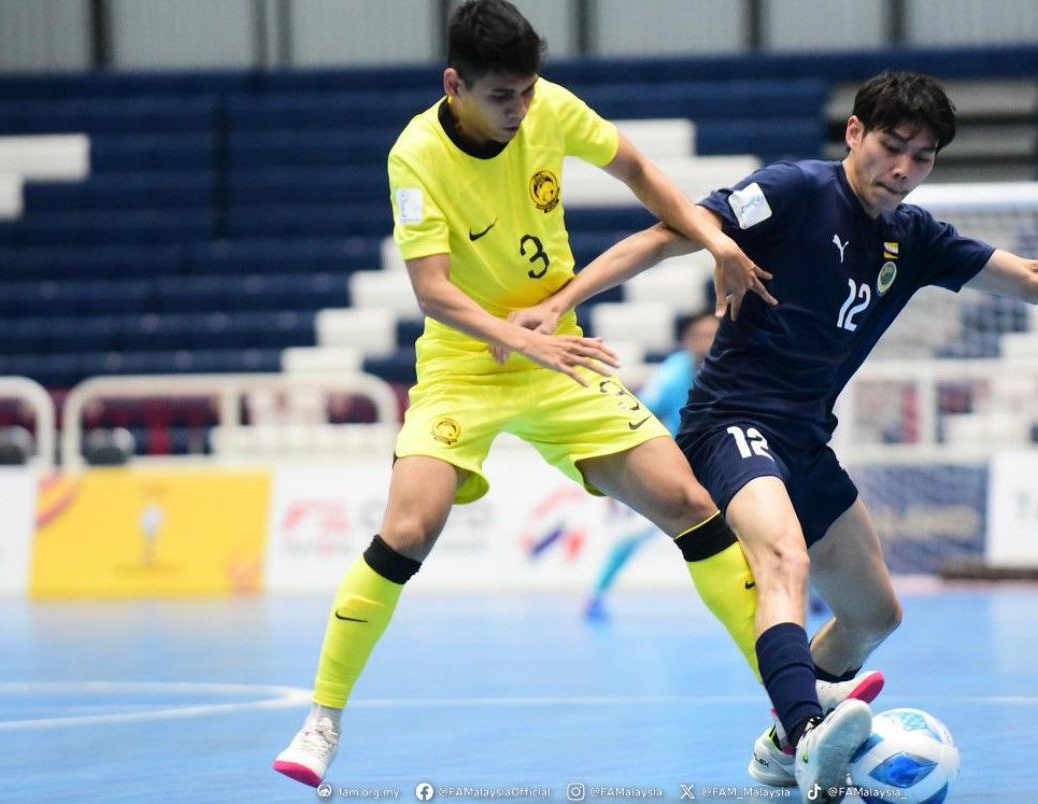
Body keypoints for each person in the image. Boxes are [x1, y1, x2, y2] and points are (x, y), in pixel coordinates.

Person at [507, 70, 1038, 797]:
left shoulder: (915, 237)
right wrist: (561, 303)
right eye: (892, 147)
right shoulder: (794, 190)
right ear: (855, 134)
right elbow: (661, 237)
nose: (902, 170)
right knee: (782, 562)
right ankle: (807, 733)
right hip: (731, 423)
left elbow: (1033, 277)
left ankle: (781, 743)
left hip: (805, 440)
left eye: (923, 157)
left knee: (874, 613)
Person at [273, 1, 874, 793]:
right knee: (410, 526)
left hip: (561, 357)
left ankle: (799, 701)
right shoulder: (415, 154)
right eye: (501, 98)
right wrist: (529, 340)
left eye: (527, 91)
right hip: (469, 364)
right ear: (455, 85)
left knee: (691, 503)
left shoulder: (547, 107)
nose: (520, 110)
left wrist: (716, 238)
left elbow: (639, 173)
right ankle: (324, 719)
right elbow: (433, 292)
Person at [583, 311, 717, 620]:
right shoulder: (672, 374)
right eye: (699, 336)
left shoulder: (734, 367)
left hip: (724, 464)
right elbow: (642, 417)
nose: (706, 343)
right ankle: (596, 594)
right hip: (677, 471)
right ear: (686, 342)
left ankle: (809, 596)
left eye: (713, 335)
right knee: (635, 533)